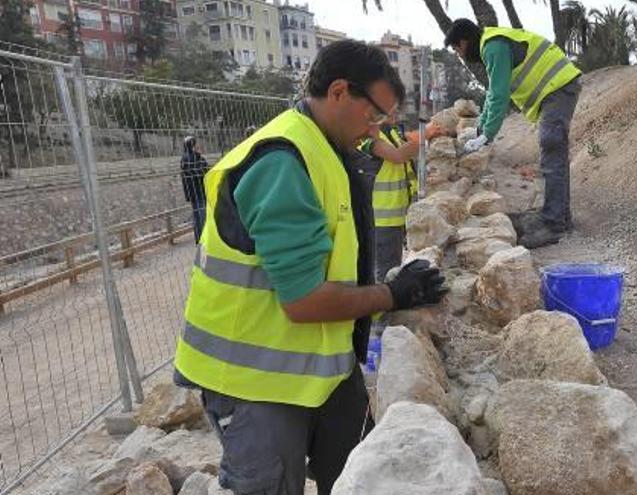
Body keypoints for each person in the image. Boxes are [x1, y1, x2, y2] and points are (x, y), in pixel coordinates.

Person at [172, 40, 447, 495]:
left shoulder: (326, 148)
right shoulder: (283, 161)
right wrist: (392, 295)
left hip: (321, 371)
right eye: (375, 115)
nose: (376, 129)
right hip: (255, 384)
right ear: (340, 91)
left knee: (360, 475)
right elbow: (303, 300)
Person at [444, 19, 582, 249]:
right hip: (556, 89)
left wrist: (487, 135)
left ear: (464, 41)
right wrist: (479, 129)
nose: (459, 54)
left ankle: (554, 223)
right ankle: (560, 216)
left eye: (457, 49)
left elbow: (500, 95)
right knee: (553, 153)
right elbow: (492, 94)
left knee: (551, 148)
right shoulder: (492, 45)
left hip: (558, 87)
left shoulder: (493, 47)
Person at [359, 120, 442, 281]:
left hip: (395, 216)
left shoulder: (389, 132)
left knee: (392, 266)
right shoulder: (367, 138)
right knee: (385, 271)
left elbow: (406, 143)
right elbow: (398, 156)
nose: (394, 111)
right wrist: (424, 135)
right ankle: (382, 303)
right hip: (382, 220)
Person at [180, 136, 209, 242]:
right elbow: (204, 171)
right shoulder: (194, 158)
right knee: (201, 216)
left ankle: (199, 238)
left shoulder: (185, 158)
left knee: (197, 215)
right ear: (193, 145)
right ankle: (203, 239)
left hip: (192, 192)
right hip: (199, 191)